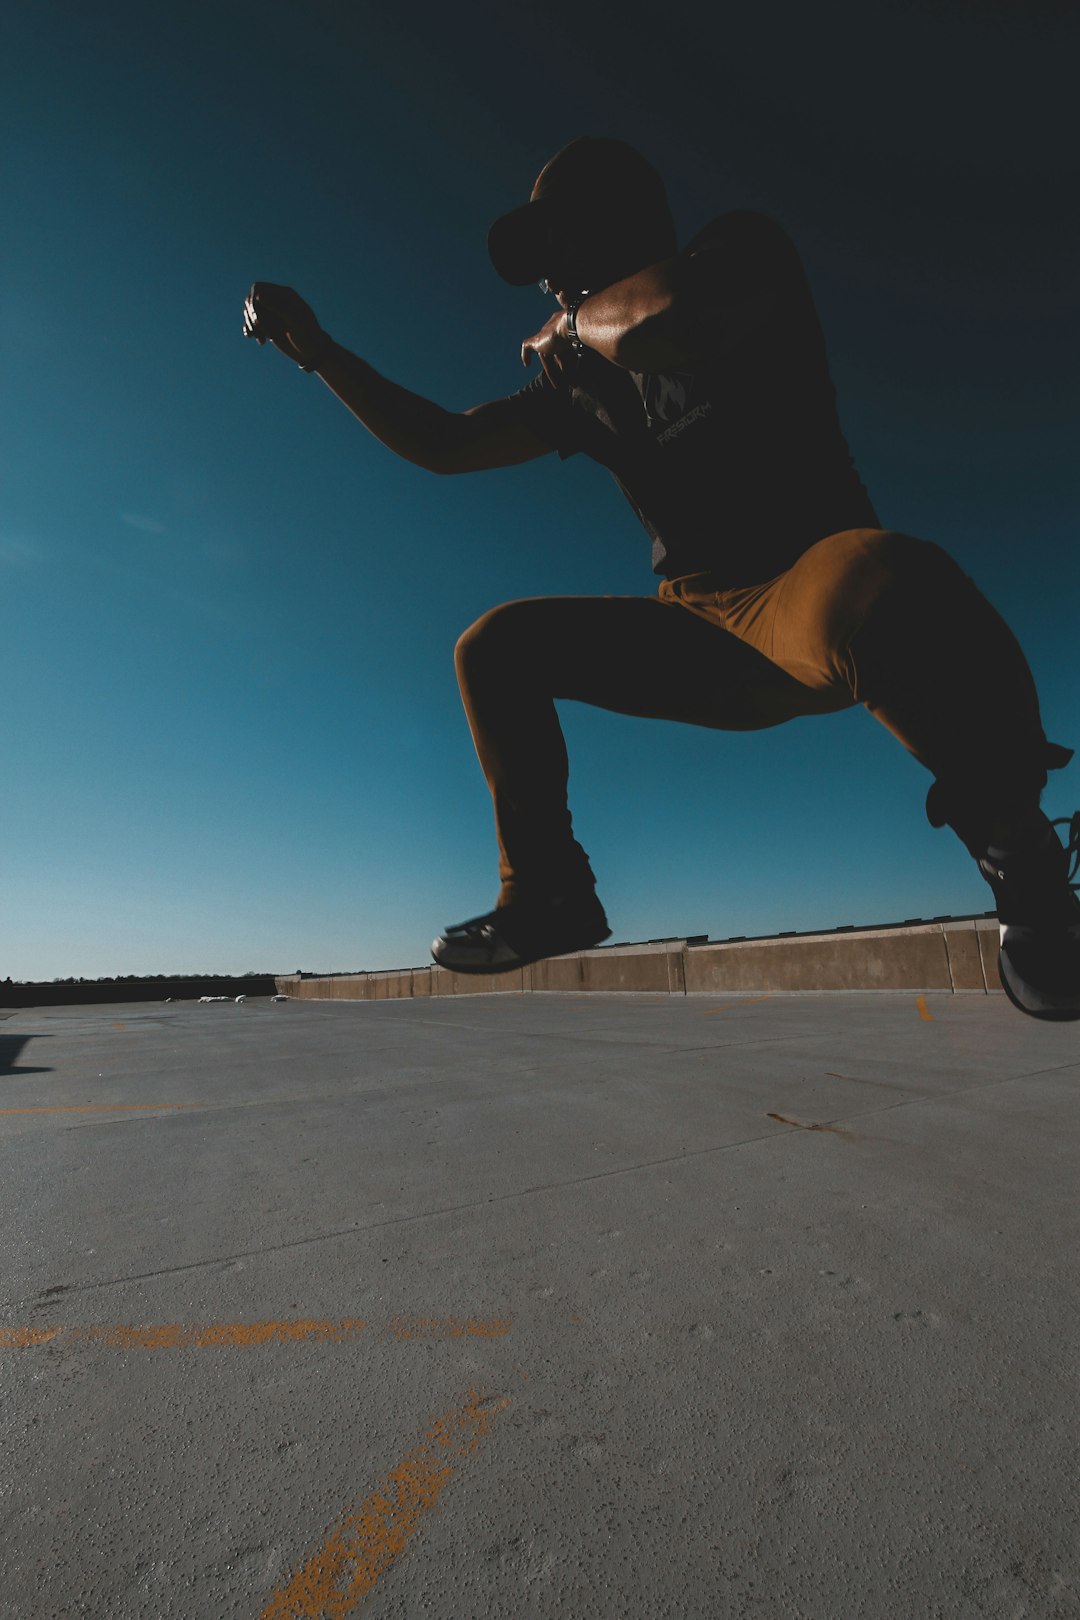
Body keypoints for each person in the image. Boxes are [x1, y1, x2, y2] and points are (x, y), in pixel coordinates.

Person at [244, 136, 1079, 1020]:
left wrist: (573, 326)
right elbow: (444, 444)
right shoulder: (579, 390)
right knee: (496, 647)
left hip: (809, 592)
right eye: (546, 279)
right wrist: (319, 352)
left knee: (880, 571)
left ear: (615, 227)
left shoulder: (736, 259)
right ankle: (549, 889)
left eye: (558, 255)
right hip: (700, 626)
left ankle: (1020, 859)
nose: (552, 288)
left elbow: (668, 319)